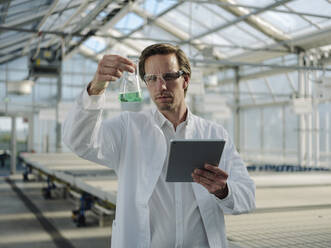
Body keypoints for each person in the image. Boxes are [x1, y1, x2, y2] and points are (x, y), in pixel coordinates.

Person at [63, 43, 255, 248]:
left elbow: (247, 196)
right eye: (152, 79)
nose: (161, 86)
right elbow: (79, 141)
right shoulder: (128, 128)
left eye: (169, 77)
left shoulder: (214, 133)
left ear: (185, 80)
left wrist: (223, 191)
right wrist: (96, 87)